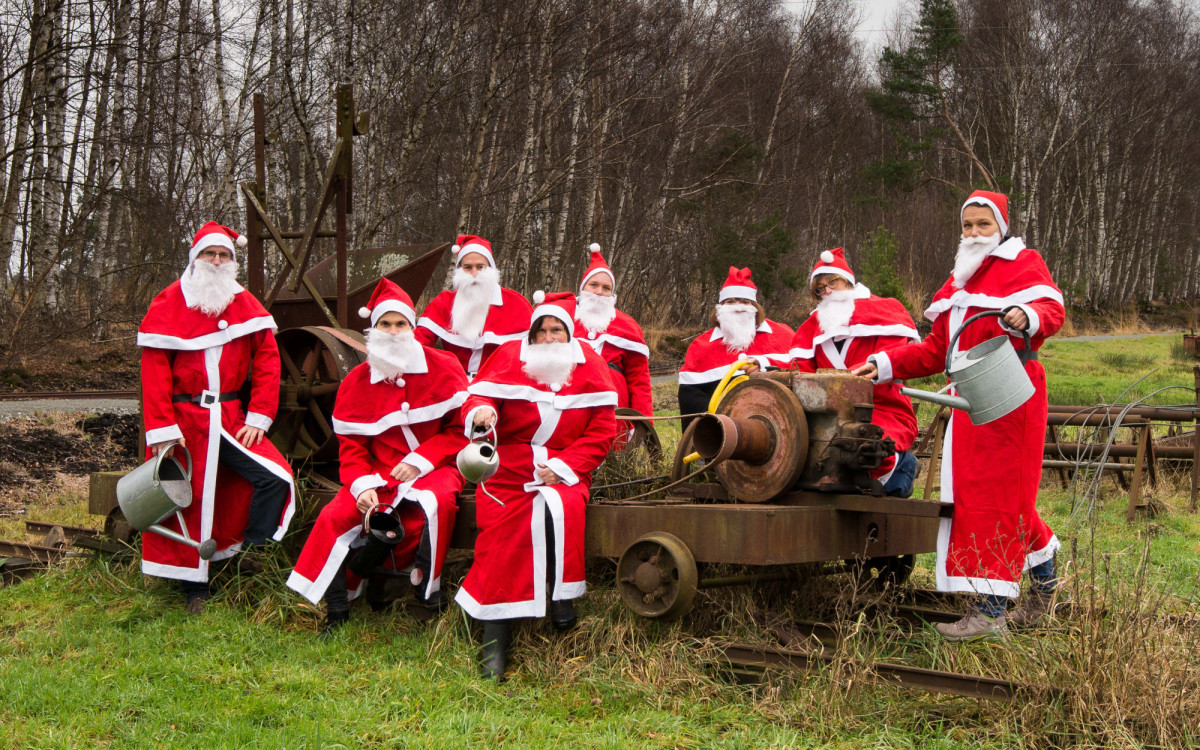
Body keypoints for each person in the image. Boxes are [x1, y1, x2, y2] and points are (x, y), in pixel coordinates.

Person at [851, 190, 1063, 641]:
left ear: (1000, 228)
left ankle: (988, 613)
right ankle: (1045, 586)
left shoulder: (1023, 263)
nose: (973, 233)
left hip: (1014, 397)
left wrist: (1026, 316)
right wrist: (885, 365)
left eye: (982, 225)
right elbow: (935, 350)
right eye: (967, 225)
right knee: (989, 500)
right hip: (973, 400)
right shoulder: (959, 281)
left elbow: (1051, 309)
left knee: (998, 500)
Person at [286, 279, 470, 634]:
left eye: (400, 324)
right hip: (379, 471)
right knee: (334, 516)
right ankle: (337, 607)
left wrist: (420, 461)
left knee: (435, 503)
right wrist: (361, 485)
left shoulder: (442, 366)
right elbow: (352, 447)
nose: (393, 331)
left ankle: (423, 592)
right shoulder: (357, 381)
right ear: (373, 329)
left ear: (412, 328)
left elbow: (459, 430)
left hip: (437, 466)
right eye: (385, 324)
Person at [456, 295, 617, 681]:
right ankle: (494, 641)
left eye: (556, 330)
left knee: (560, 510)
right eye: (541, 331)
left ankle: (561, 600)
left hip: (566, 466)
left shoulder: (590, 366)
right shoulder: (512, 356)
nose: (548, 338)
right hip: (510, 465)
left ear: (569, 333)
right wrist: (482, 411)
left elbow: (601, 431)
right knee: (504, 531)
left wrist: (563, 468)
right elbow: (481, 395)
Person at [137, 221, 295, 614]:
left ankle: (250, 561)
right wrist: (162, 429)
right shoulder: (168, 302)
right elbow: (154, 374)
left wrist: (258, 416)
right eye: (211, 254)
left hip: (228, 418)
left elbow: (267, 363)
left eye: (225, 255)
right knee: (188, 502)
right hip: (184, 423)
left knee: (273, 478)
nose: (218, 260)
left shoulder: (244, 303)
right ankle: (194, 587)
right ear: (195, 259)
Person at [789, 248, 921, 497]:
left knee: (869, 449)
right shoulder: (812, 327)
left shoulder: (885, 312)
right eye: (820, 288)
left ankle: (904, 469)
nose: (827, 291)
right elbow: (799, 369)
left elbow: (898, 357)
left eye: (832, 283)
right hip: (827, 412)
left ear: (847, 280)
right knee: (809, 451)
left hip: (881, 405)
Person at [677, 267, 794, 429]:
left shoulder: (783, 335)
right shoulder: (701, 345)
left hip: (779, 425)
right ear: (720, 307)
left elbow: (801, 371)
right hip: (721, 431)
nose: (737, 307)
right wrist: (722, 418)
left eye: (744, 302)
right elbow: (690, 396)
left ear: (755, 307)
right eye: (730, 302)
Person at [415, 235, 533, 378]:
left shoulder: (515, 303)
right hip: (453, 382)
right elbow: (418, 342)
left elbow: (534, 349)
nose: (474, 274)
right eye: (468, 268)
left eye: (480, 267)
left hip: (497, 384)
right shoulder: (445, 302)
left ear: (490, 268)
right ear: (459, 270)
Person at [570, 243, 653, 417]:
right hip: (570, 405)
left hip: (615, 408)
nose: (599, 292)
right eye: (594, 285)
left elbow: (639, 382)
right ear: (583, 287)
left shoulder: (627, 326)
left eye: (606, 288)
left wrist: (642, 425)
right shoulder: (563, 318)